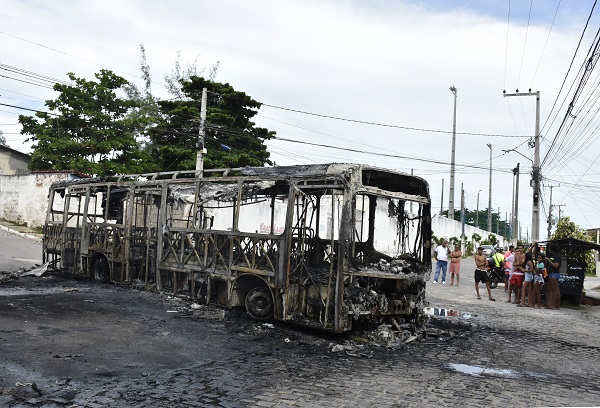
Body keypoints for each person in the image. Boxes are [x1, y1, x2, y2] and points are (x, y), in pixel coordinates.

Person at [545, 244, 562, 309]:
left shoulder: (556, 257)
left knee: (555, 290)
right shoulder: (554, 256)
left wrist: (548, 260)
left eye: (550, 249)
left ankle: (554, 305)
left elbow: (556, 265)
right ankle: (556, 305)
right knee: (555, 290)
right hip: (552, 274)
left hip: (554, 274)